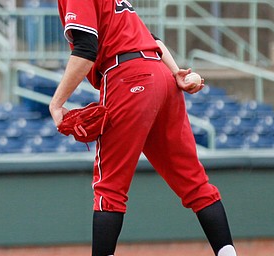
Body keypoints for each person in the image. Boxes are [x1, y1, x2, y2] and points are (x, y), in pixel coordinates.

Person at [49, 1, 237, 255]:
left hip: (127, 77)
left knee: (109, 188)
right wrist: (176, 72)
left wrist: (57, 103)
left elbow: (85, 50)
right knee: (194, 182)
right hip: (161, 75)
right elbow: (154, 40)